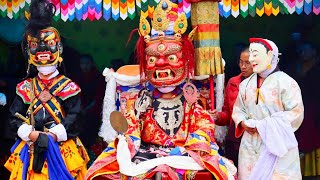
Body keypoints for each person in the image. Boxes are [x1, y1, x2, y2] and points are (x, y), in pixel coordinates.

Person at [85, 0, 236, 179]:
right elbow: (131, 129)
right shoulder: (143, 100)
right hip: (147, 153)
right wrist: (129, 141)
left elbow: (202, 126)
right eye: (152, 60)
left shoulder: (189, 100)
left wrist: (187, 148)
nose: (161, 64)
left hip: (183, 153)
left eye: (171, 57)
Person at [4, 0, 89, 179]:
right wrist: (29, 133)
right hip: (30, 146)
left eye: (49, 44)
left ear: (59, 49)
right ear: (29, 53)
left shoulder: (69, 87)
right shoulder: (25, 87)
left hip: (62, 148)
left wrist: (54, 135)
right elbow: (14, 117)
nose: (43, 51)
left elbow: (77, 117)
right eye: (35, 46)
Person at [232, 38, 304, 179]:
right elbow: (238, 110)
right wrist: (243, 123)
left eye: (255, 54)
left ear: (270, 56)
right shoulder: (245, 85)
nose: (251, 59)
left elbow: (296, 113)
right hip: (250, 145)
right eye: (251, 54)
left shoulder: (287, 83)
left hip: (278, 145)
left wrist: (265, 126)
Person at [210, 45, 253, 167]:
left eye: (247, 63)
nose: (243, 67)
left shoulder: (264, 84)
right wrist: (217, 116)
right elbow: (228, 114)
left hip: (253, 139)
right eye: (241, 62)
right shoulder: (233, 82)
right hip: (234, 139)